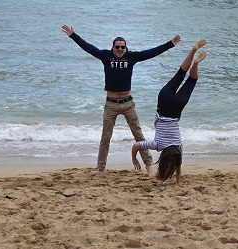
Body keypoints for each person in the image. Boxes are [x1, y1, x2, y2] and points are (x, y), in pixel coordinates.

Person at [61, 24, 180, 176]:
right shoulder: (105, 56)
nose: (120, 50)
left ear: (126, 48)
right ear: (112, 47)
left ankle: (149, 165)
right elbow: (89, 48)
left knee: (138, 135)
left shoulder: (131, 58)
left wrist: (170, 44)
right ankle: (101, 169)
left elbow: (151, 53)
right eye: (117, 47)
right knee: (105, 137)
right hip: (110, 104)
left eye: (122, 47)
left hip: (128, 103)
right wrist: (73, 35)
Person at [131, 39, 207, 184]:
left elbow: (178, 165)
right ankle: (194, 56)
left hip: (177, 107)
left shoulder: (178, 147)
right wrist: (134, 158)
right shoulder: (158, 145)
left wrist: (178, 181)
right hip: (163, 101)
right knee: (181, 73)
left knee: (189, 79)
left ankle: (195, 60)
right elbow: (136, 145)